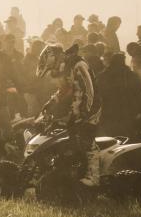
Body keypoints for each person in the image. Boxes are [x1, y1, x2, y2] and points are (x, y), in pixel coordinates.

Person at [37, 44, 101, 186]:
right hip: (76, 106)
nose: (53, 72)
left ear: (56, 58)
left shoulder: (78, 65)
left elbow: (88, 91)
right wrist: (51, 102)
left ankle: (93, 177)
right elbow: (65, 89)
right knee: (68, 140)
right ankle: (70, 172)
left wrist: (82, 114)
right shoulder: (66, 67)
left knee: (86, 138)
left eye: (52, 68)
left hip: (90, 108)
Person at [96, 52, 141, 138]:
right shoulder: (131, 75)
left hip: (109, 110)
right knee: (127, 135)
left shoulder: (103, 75)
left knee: (111, 135)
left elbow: (99, 92)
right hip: (127, 110)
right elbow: (139, 91)